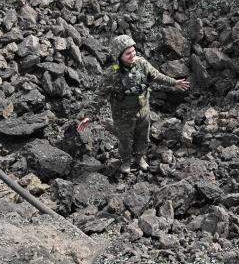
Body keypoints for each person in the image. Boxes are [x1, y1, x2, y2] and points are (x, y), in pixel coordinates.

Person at [77, 34, 190, 174]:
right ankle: (126, 161)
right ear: (119, 56)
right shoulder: (112, 74)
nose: (132, 55)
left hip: (143, 110)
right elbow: (100, 95)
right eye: (128, 53)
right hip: (123, 114)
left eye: (133, 51)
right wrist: (89, 115)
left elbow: (156, 76)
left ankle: (140, 158)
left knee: (143, 137)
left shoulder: (142, 63)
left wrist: (174, 82)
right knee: (125, 140)